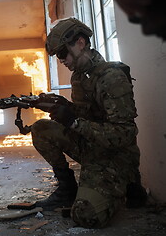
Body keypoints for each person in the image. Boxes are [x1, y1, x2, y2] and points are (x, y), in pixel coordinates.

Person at [31, 17, 147, 228]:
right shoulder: (78, 77)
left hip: (115, 156)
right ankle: (67, 189)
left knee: (86, 215)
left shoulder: (112, 77)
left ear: (81, 43)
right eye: (58, 56)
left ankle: (128, 183)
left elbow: (125, 133)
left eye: (63, 53)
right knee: (41, 128)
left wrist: (73, 121)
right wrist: (61, 106)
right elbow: (87, 114)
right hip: (91, 145)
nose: (61, 60)